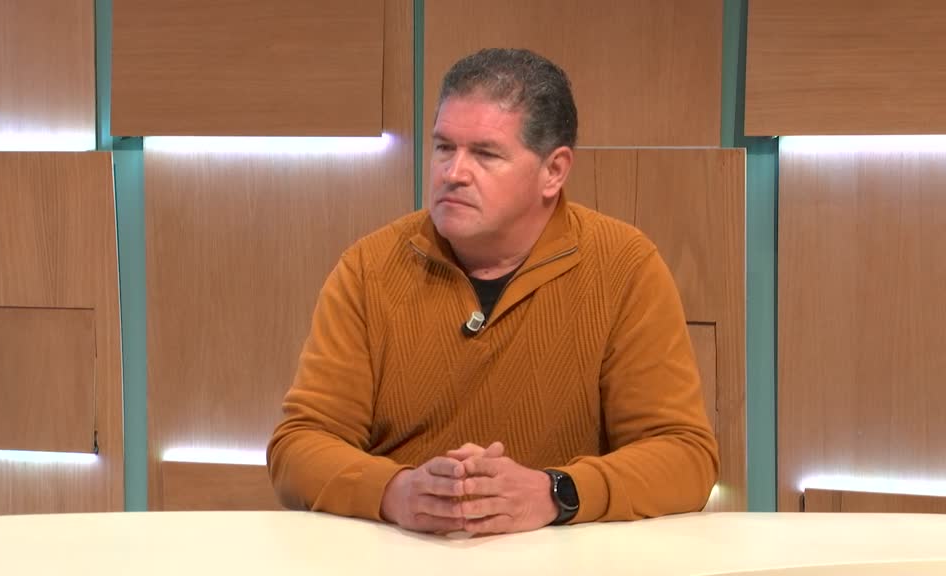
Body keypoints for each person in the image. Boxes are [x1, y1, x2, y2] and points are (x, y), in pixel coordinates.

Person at [267, 48, 719, 535]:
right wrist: (397, 492)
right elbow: (299, 446)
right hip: (400, 554)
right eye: (444, 147)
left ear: (554, 171)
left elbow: (685, 456)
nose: (453, 172)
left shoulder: (623, 266)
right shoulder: (368, 268)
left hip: (558, 559)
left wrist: (554, 492)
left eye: (485, 154)